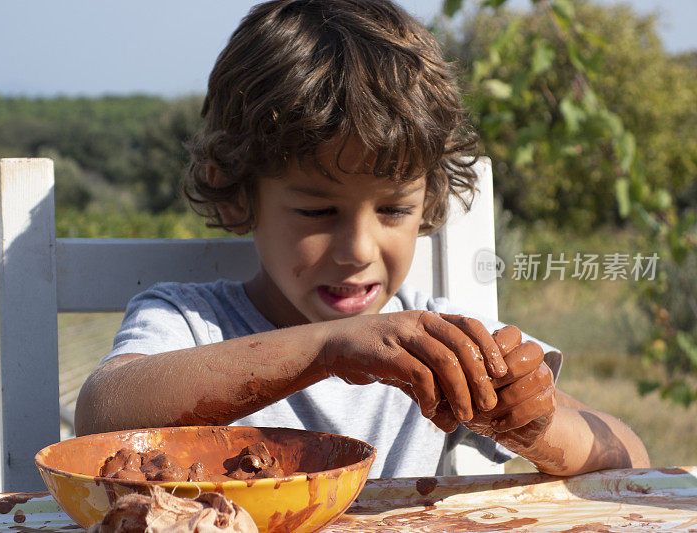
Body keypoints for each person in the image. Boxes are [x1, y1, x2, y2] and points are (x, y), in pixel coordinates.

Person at [74, 0, 649, 478]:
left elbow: (629, 458)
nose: (359, 250)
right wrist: (329, 348)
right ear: (238, 193)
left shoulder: (441, 346)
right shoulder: (190, 322)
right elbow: (102, 414)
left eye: (395, 209)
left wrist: (536, 427)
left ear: (429, 201)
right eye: (318, 209)